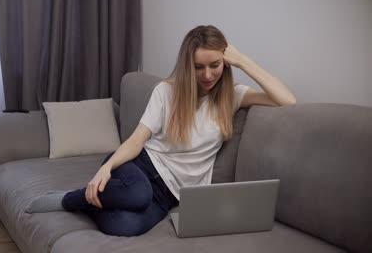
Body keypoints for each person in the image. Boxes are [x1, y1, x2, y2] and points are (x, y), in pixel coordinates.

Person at [25, 25, 296, 237]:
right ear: (187, 65)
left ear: (225, 63)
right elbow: (137, 140)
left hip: (170, 195)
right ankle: (69, 199)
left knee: (125, 227)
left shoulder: (233, 97)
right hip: (139, 167)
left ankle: (89, 201)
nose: (207, 75)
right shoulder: (166, 92)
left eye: (215, 65)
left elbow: (287, 100)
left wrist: (244, 61)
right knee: (138, 194)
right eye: (198, 67)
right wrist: (106, 169)